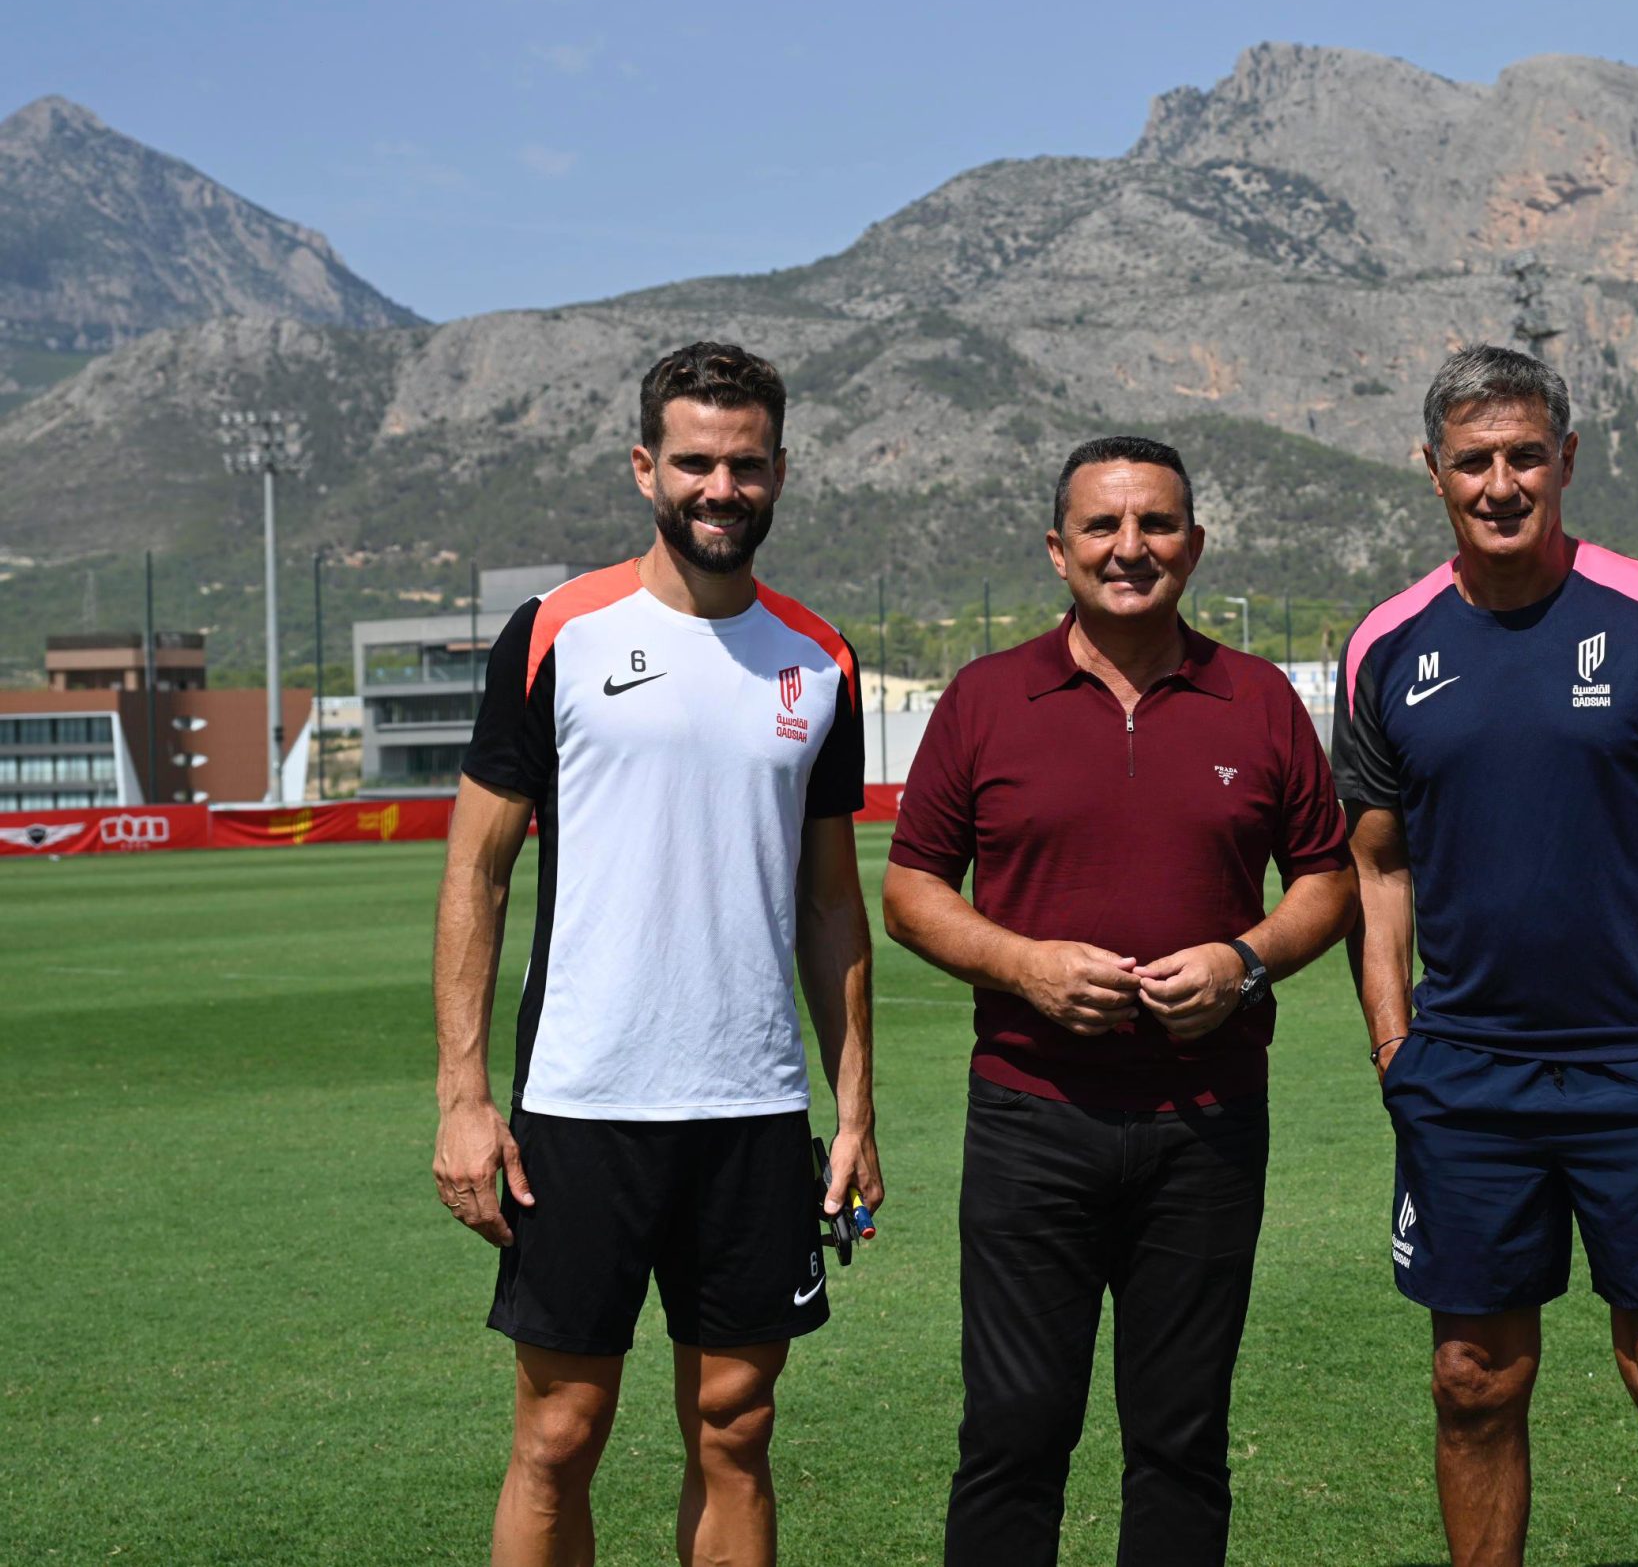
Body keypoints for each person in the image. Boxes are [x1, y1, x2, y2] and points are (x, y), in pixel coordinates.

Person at [429, 341, 881, 1567]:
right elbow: (476, 871)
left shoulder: (820, 659)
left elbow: (831, 907)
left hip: (752, 1109)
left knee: (737, 1428)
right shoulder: (556, 632)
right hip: (583, 1104)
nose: (721, 487)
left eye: (746, 464)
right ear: (646, 469)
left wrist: (853, 1113)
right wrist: (464, 1098)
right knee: (558, 1434)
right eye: (695, 463)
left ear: (780, 470)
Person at [881, 435, 1355, 1566]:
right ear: (1059, 549)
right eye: (1103, 525)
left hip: (1208, 1125)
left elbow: (1329, 882)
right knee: (1012, 1434)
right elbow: (908, 891)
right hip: (1030, 1120)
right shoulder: (986, 696)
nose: (1130, 547)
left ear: (1195, 545)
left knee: (1181, 1441)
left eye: (1156, 525)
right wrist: (1023, 966)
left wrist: (1243, 963)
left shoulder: (1259, 699)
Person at [1332, 345, 1638, 1567]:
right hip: (1466, 1075)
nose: (1501, 482)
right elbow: (1375, 870)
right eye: (1473, 461)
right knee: (1473, 1381)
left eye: (1526, 455)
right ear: (1433, 473)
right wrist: (1395, 1048)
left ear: (1566, 459)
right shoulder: (1386, 644)